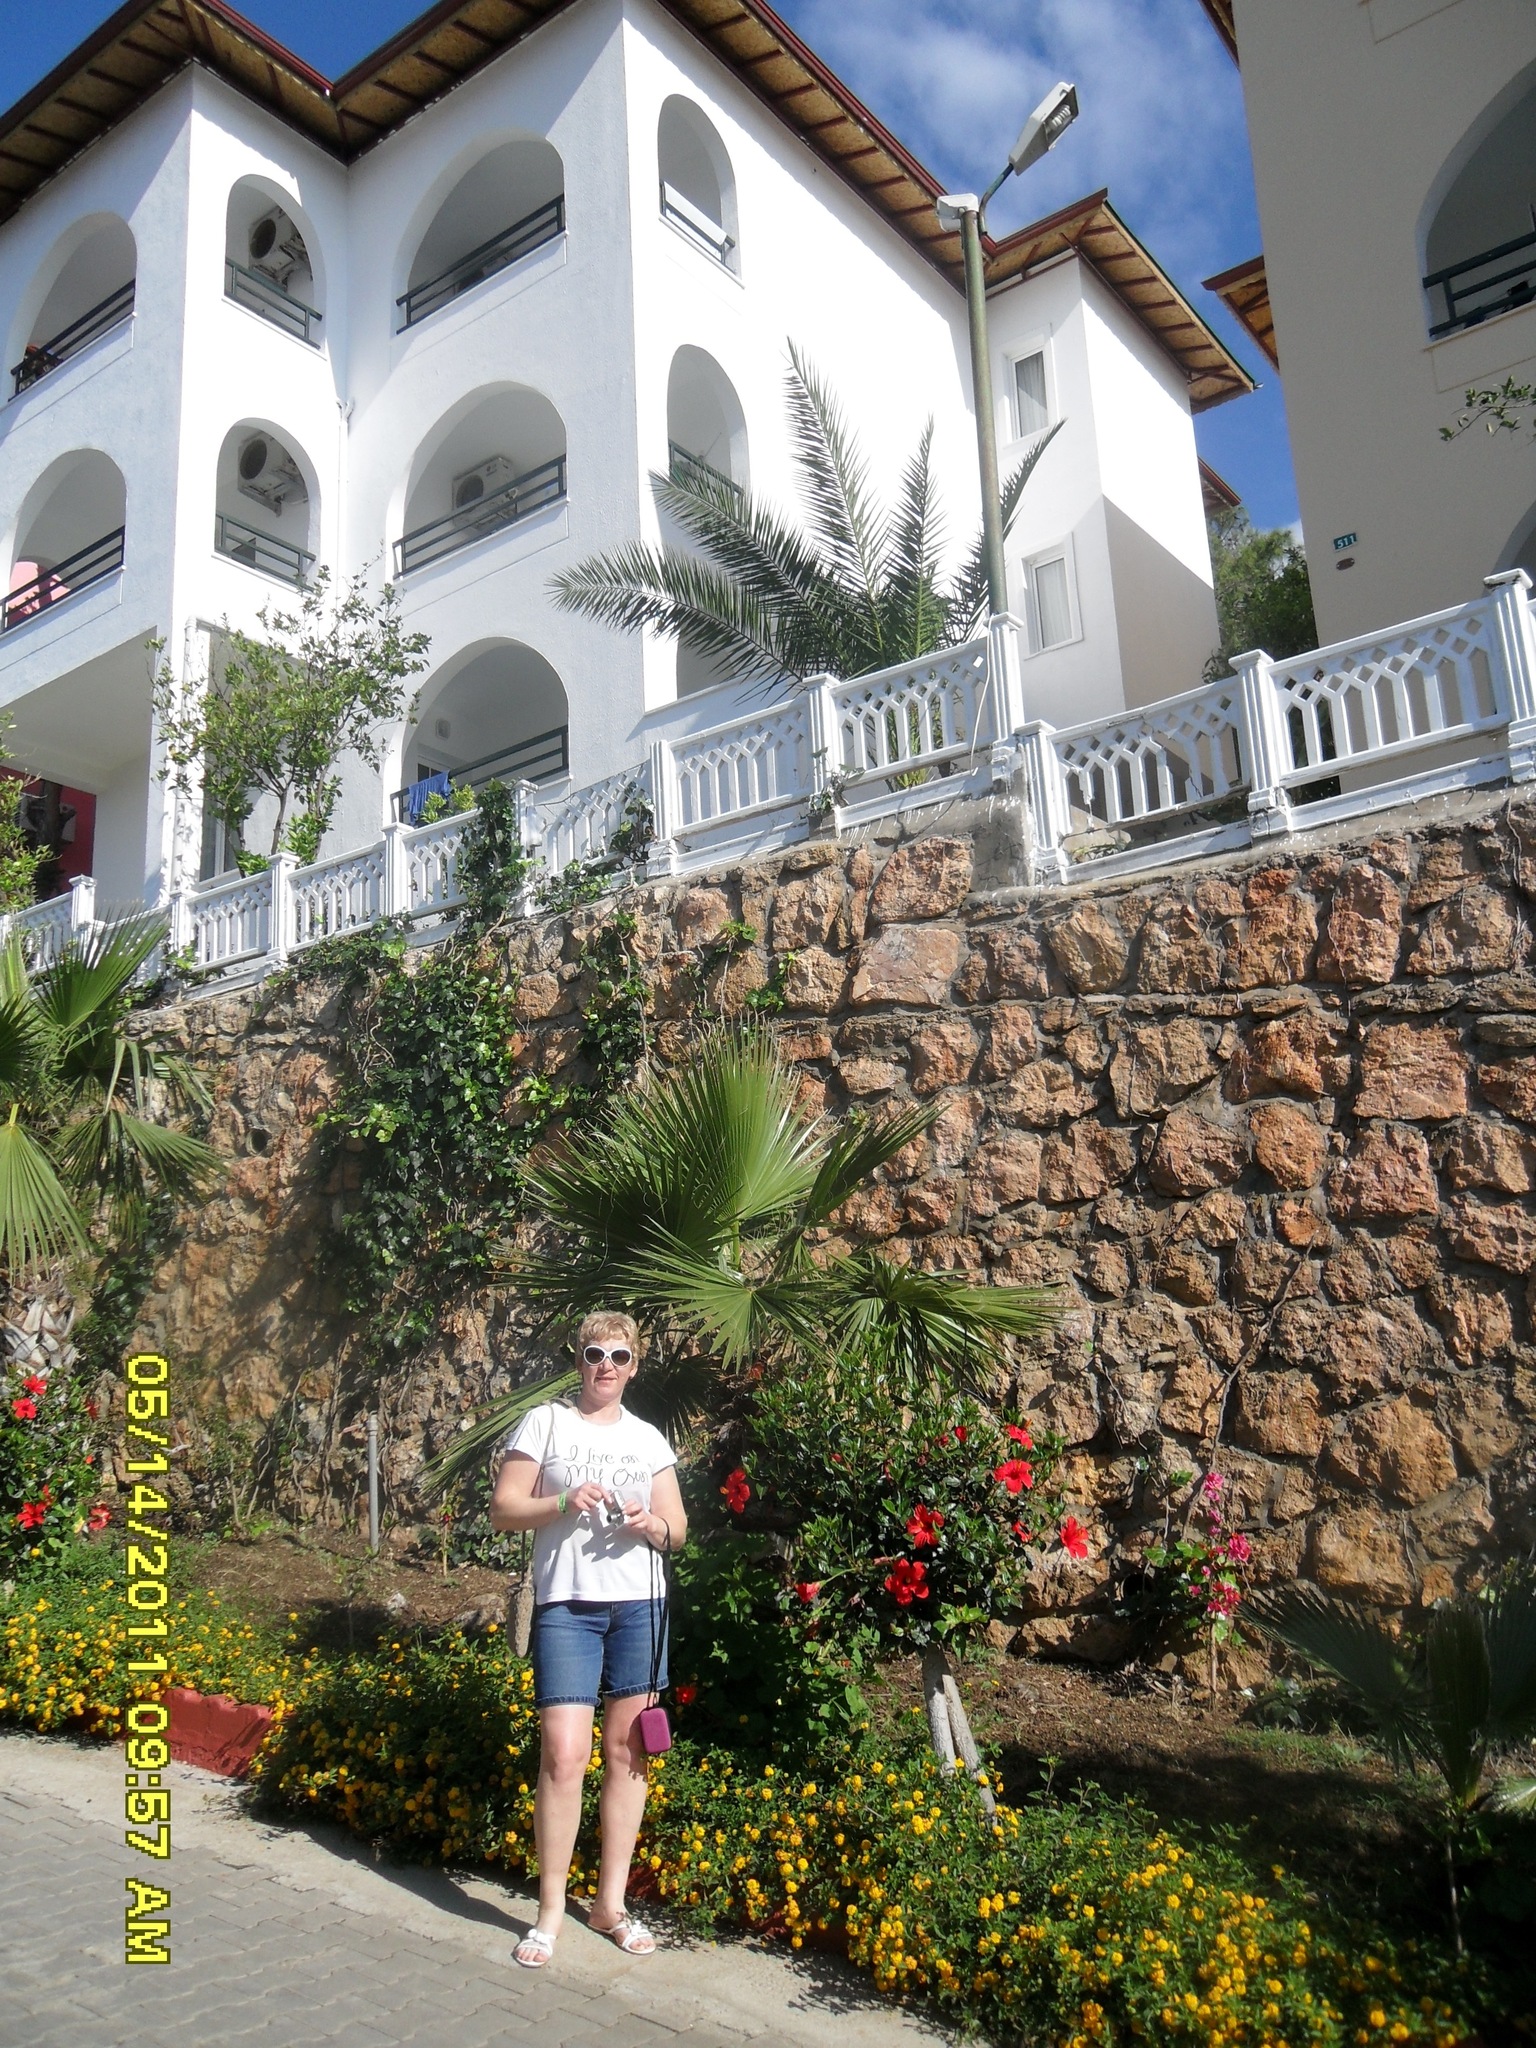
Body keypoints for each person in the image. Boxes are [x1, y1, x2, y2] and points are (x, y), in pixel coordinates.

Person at [490, 1309, 686, 1969]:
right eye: (595, 1354)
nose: (606, 1366)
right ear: (579, 1360)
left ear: (634, 1366)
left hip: (639, 1607)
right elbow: (503, 1508)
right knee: (563, 1754)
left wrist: (649, 1524)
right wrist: (560, 1501)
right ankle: (549, 1913)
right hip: (568, 1605)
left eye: (619, 1356)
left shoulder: (647, 1439)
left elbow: (677, 1532)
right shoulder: (546, 1423)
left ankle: (610, 1906)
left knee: (630, 1754)